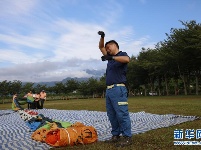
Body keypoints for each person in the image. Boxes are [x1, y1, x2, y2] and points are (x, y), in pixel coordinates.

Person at [98, 31, 132, 147]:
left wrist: (112, 57)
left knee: (122, 113)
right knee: (111, 114)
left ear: (115, 45)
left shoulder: (122, 54)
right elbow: (101, 47)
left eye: (109, 47)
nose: (106, 49)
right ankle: (116, 135)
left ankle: (127, 137)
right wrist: (102, 37)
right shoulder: (110, 59)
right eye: (106, 49)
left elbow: (127, 60)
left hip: (118, 89)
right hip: (109, 90)